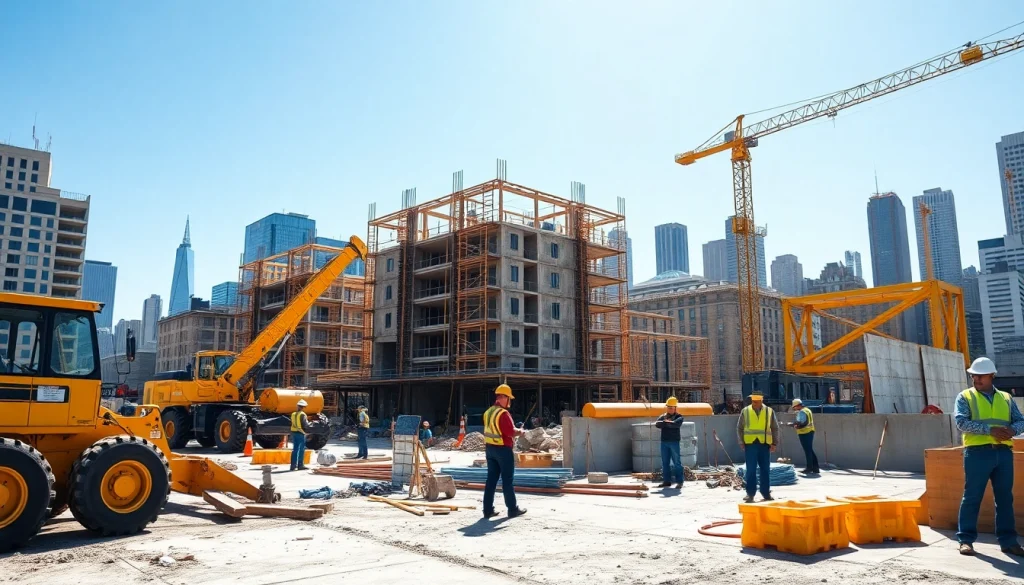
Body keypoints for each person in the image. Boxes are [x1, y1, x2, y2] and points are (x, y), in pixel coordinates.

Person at [955, 357, 1024, 556]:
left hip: (1003, 453)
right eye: (973, 375)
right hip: (977, 453)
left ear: (992, 376)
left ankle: (1008, 541)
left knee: (1004, 498)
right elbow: (961, 422)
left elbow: (1021, 421)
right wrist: (990, 430)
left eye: (980, 375)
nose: (976, 379)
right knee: (972, 497)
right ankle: (965, 540)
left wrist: (1012, 430)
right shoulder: (965, 396)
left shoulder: (1006, 398)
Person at [482, 383, 527, 519]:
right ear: (503, 397)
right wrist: (520, 432)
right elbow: (509, 432)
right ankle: (512, 509)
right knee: (507, 480)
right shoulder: (503, 413)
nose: (510, 402)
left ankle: (487, 510)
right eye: (509, 398)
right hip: (503, 450)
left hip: (490, 450)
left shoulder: (488, 412)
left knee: (491, 480)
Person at [736, 390, 780, 503]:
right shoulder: (745, 411)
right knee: (751, 470)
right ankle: (750, 494)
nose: (754, 403)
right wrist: (741, 442)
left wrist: (774, 443)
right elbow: (739, 428)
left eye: (757, 401)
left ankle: (765, 493)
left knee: (765, 470)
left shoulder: (769, 411)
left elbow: (775, 428)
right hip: (750, 445)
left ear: (761, 400)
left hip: (764, 445)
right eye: (753, 401)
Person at [654, 396, 686, 488]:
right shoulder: (663, 416)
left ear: (675, 408)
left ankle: (680, 481)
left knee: (677, 462)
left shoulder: (679, 417)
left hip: (674, 442)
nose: (670, 409)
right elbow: (658, 424)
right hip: (664, 442)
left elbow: (675, 425)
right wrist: (666, 422)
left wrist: (666, 423)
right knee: (665, 462)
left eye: (671, 408)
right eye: (668, 407)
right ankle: (666, 481)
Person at [789, 398, 820, 475]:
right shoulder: (807, 410)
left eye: (794, 407)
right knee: (810, 450)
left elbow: (802, 423)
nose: (794, 409)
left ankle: (809, 468)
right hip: (809, 431)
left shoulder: (802, 412)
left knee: (808, 451)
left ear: (797, 405)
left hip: (804, 433)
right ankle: (815, 468)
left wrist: (794, 425)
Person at [290, 399, 311, 471]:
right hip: (300, 433)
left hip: (294, 433)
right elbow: (305, 425)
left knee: (295, 449)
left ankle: (292, 466)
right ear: (303, 407)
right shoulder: (302, 414)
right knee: (301, 449)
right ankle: (300, 465)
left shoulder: (293, 414)